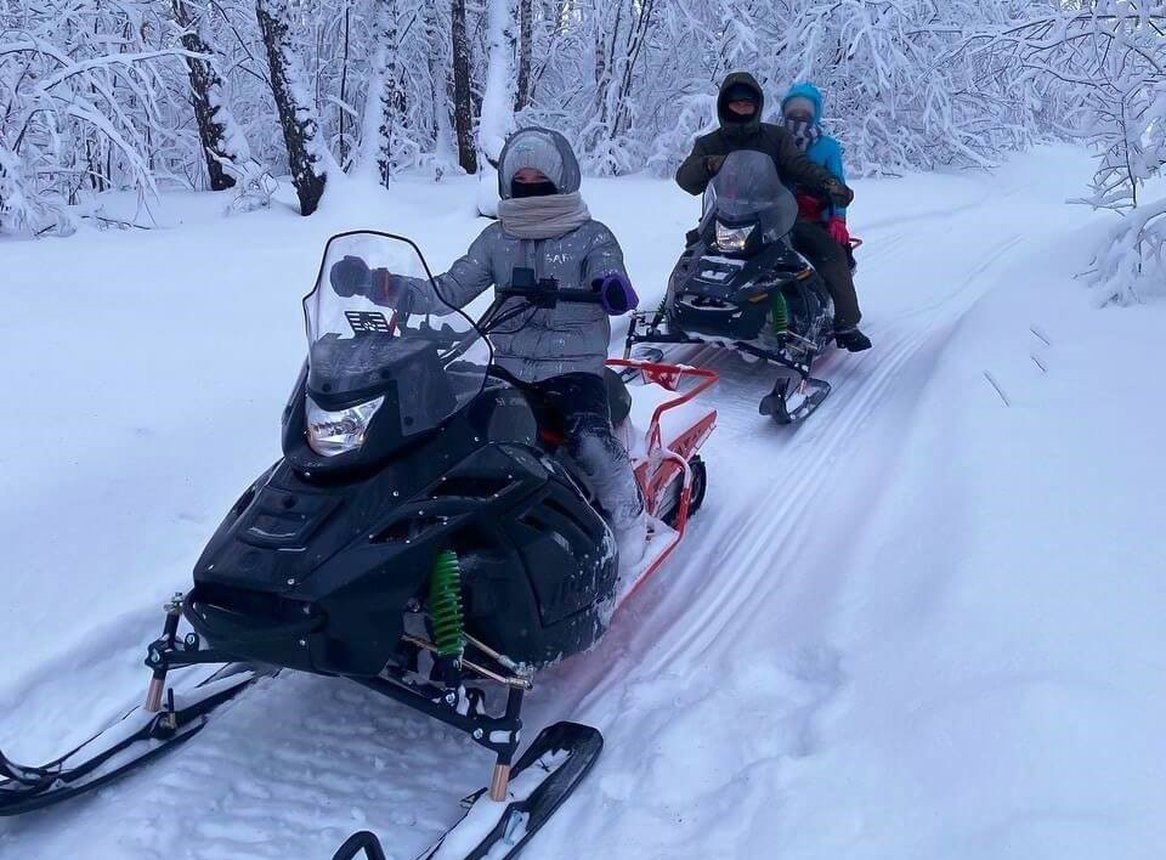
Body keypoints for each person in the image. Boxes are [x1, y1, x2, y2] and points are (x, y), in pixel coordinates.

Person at [330, 127, 648, 567]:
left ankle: (628, 517)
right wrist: (379, 285)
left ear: (562, 179)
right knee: (448, 429)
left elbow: (608, 268)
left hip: (571, 365)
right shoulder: (497, 238)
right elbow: (449, 290)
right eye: (522, 179)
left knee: (588, 439)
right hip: (501, 361)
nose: (530, 187)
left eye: (541, 179)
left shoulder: (591, 236)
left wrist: (610, 286)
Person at [675, 72, 871, 352]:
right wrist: (706, 165)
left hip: (774, 216)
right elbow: (685, 180)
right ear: (724, 105)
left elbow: (799, 165)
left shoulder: (776, 137)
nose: (742, 108)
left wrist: (827, 183)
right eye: (736, 103)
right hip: (723, 218)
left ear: (757, 105)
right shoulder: (709, 143)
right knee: (691, 254)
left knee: (828, 251)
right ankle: (673, 311)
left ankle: (846, 323)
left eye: (747, 103)